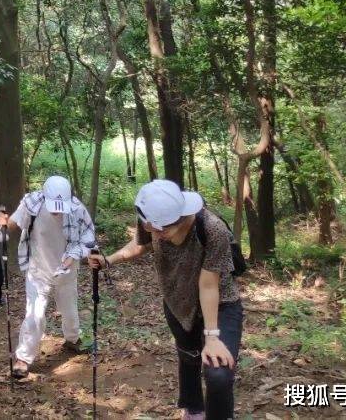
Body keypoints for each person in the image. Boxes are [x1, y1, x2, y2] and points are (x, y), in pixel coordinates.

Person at [89, 180, 243, 420]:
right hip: (177, 302)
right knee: (189, 356)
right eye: (150, 227)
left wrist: (212, 337)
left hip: (220, 304)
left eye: (162, 230)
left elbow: (209, 284)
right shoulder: (151, 214)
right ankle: (194, 410)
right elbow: (141, 245)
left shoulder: (212, 229)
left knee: (218, 374)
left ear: (181, 217)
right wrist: (109, 259)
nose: (156, 233)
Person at [0, 175, 96, 378]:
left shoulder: (77, 209)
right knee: (34, 315)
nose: (57, 211)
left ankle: (73, 339)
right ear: (45, 197)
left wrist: (74, 255)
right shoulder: (32, 204)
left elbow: (88, 238)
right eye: (54, 206)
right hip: (38, 271)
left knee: (70, 311)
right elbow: (13, 223)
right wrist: (3, 222)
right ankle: (23, 358)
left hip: (67, 271)